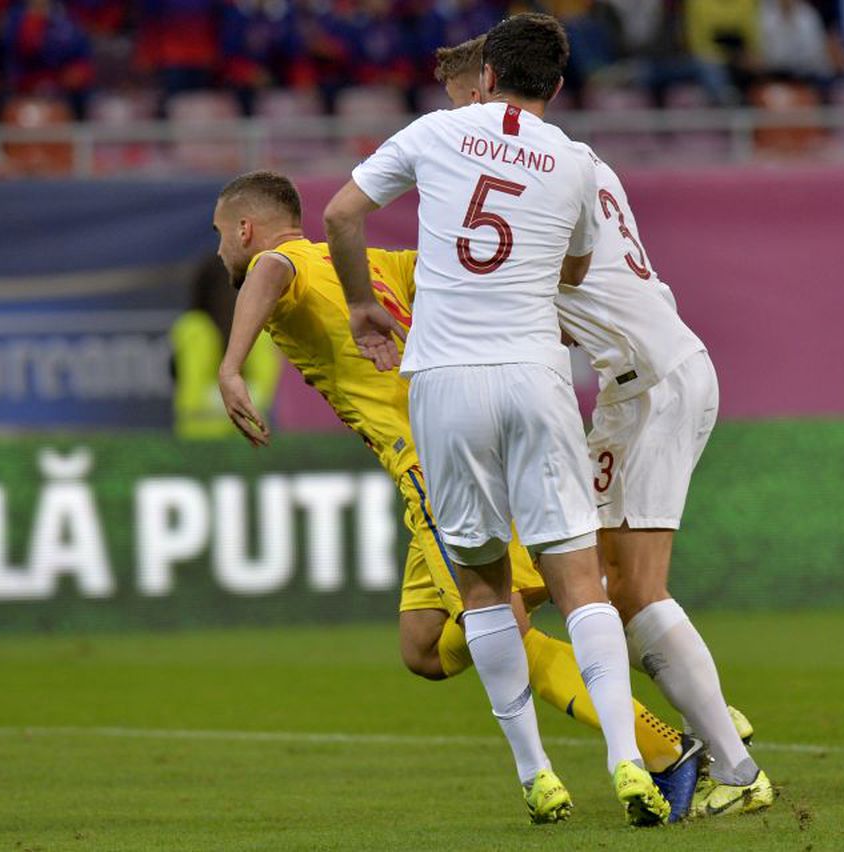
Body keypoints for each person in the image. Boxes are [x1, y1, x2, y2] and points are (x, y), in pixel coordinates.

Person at [211, 170, 698, 816]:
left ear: (245, 228)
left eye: (221, 235)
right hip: (466, 449)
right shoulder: (374, 263)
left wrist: (230, 363)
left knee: (500, 624)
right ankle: (623, 635)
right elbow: (459, 279)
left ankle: (664, 750)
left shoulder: (285, 263)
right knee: (422, 646)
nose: (221, 250)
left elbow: (270, 268)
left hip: (438, 464)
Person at [323, 13, 670, 827]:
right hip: (533, 373)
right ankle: (627, 761)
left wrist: (362, 307)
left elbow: (340, 215)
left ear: (484, 76)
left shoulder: (436, 130)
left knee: (480, 586)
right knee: (577, 581)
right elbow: (578, 266)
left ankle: (537, 775)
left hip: (442, 381)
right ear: (554, 85)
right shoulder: (577, 163)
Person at [434, 33, 775, 818]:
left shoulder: (524, 174)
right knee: (614, 585)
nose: (459, 127)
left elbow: (528, 280)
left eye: (461, 105)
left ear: (487, 89)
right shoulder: (581, 160)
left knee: (631, 588)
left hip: (648, 380)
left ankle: (731, 760)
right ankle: (715, 732)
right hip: (658, 368)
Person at [172, 254, 280, 439]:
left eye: (241, 287)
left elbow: (266, 392)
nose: (233, 295)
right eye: (229, 287)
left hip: (249, 443)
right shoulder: (194, 330)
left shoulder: (261, 329)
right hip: (200, 442)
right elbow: (192, 400)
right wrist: (237, 400)